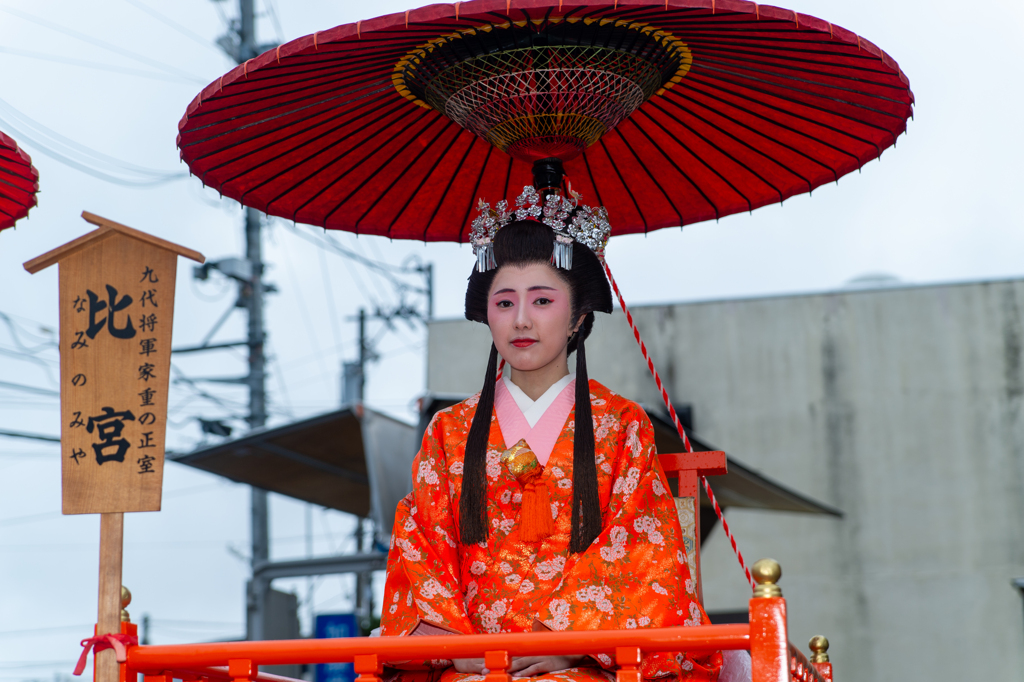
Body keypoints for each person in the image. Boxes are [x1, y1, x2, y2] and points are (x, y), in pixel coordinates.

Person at [379, 188, 722, 682]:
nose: (521, 319)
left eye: (542, 300)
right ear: (487, 315)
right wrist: (461, 651)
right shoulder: (448, 433)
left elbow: (643, 552)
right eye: (504, 302)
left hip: (581, 662)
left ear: (578, 316)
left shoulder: (620, 425)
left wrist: (568, 642)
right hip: (471, 666)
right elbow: (421, 548)